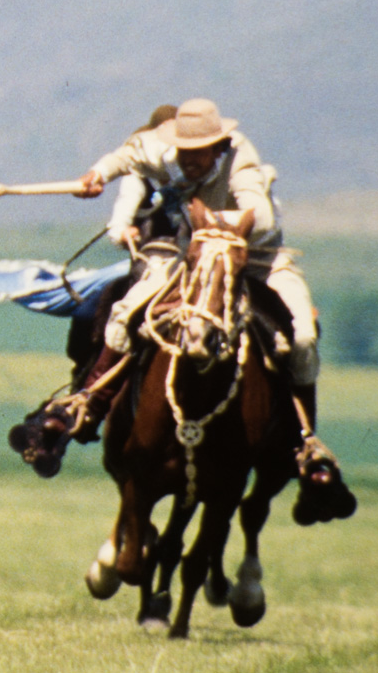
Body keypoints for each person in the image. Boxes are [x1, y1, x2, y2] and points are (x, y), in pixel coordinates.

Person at [73, 97, 336, 473]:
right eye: (184, 151)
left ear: (219, 146)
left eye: (200, 152)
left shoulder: (240, 156)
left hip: (260, 261)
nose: (190, 159)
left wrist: (209, 219)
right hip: (193, 260)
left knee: (303, 338)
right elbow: (125, 157)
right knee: (125, 311)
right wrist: (96, 175)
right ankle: (89, 404)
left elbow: (258, 215)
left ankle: (305, 442)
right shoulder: (163, 148)